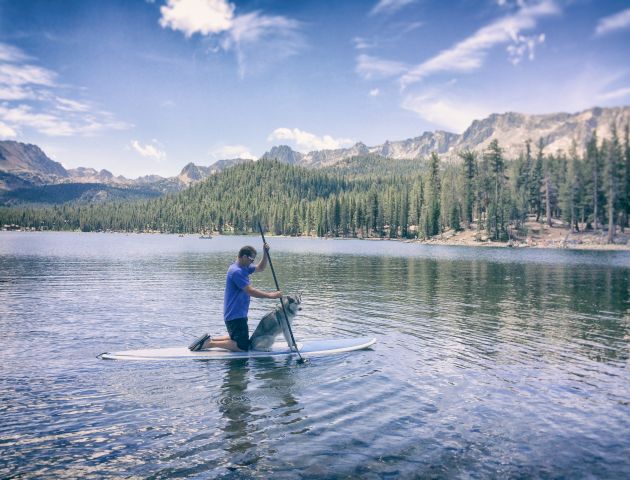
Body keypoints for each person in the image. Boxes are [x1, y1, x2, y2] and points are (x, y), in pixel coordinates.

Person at [189, 243, 282, 352]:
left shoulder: (243, 266)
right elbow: (250, 291)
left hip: (237, 314)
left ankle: (209, 339)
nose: (252, 262)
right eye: (251, 259)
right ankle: (209, 344)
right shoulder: (236, 271)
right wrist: (271, 295)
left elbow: (260, 268)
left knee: (241, 340)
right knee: (243, 347)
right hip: (235, 315)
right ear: (244, 257)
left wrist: (266, 253)